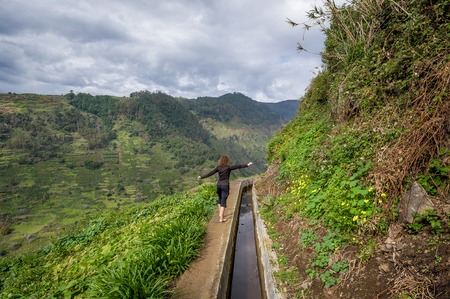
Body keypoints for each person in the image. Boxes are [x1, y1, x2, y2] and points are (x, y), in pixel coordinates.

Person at [198, 156, 253, 222]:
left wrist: (201, 177)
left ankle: (220, 214)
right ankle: (221, 218)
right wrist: (247, 165)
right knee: (223, 201)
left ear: (220, 161)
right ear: (227, 161)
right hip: (225, 185)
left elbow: (210, 173)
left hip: (219, 185)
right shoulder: (228, 167)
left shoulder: (218, 168)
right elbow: (238, 166)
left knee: (220, 199)